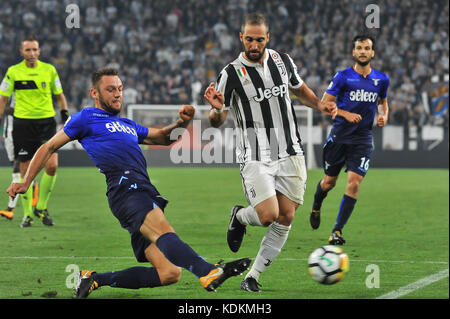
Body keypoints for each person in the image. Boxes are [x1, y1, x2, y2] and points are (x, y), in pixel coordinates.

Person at [7, 68, 250, 298]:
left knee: (169, 273)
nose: (118, 93)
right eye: (111, 89)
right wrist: (27, 181)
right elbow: (49, 146)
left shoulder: (127, 124)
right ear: (95, 93)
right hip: (125, 190)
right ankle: (207, 271)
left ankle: (93, 279)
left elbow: (164, 138)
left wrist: (182, 123)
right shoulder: (85, 118)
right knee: (165, 231)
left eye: (120, 88)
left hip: (142, 191)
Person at [203, 13, 337, 292]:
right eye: (249, 39)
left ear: (268, 38)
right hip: (254, 153)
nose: (254, 44)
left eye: (259, 39)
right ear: (241, 37)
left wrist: (320, 105)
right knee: (267, 216)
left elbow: (300, 91)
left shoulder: (282, 61)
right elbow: (218, 120)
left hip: (289, 150)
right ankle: (240, 216)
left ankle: (252, 276)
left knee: (286, 217)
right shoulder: (230, 73)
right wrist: (216, 108)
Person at [309, 35, 389, 245]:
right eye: (359, 48)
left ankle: (337, 231)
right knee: (329, 183)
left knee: (354, 184)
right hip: (340, 137)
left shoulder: (381, 79)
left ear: (373, 53)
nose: (363, 51)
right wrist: (345, 114)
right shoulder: (343, 77)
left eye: (367, 48)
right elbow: (325, 104)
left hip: (362, 139)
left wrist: (383, 115)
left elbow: (383, 102)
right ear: (353, 52)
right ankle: (316, 205)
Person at [0, 36, 68, 228]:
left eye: (34, 50)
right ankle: (28, 215)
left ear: (39, 52)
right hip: (22, 125)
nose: (31, 53)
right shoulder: (13, 72)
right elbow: (2, 100)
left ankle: (42, 207)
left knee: (52, 166)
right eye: (27, 50)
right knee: (25, 171)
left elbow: (60, 97)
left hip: (46, 123)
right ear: (21, 52)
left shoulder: (49, 70)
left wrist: (64, 119)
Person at [0, 97, 39, 220]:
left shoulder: (23, 90)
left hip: (21, 133)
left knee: (17, 171)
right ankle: (33, 185)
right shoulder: (6, 91)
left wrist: (5, 109)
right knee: (15, 167)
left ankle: (10, 209)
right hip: (8, 134)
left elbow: (24, 108)